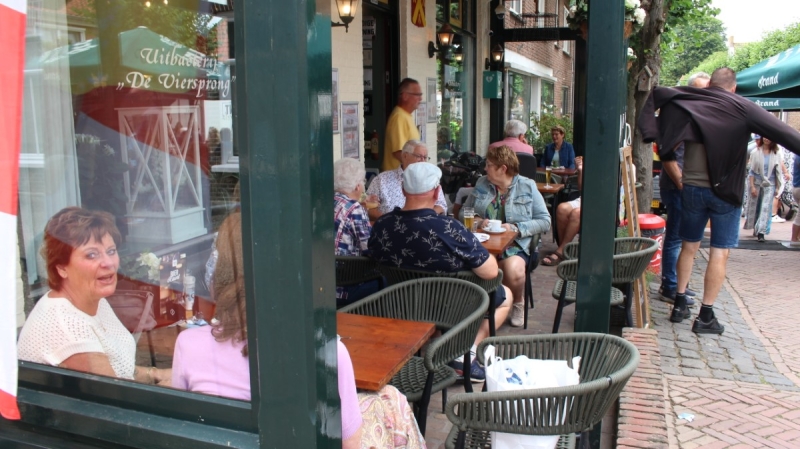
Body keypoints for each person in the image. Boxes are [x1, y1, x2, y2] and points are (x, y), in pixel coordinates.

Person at [172, 213, 425, 449]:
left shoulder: (187, 345)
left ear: (216, 277)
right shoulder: (328, 353)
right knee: (391, 401)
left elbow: (182, 427)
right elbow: (349, 444)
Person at [638, 67, 800, 335]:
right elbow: (785, 134)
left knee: (688, 246)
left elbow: (659, 109)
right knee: (719, 252)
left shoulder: (688, 101)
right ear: (734, 87)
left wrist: (659, 145)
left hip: (691, 187)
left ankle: (679, 303)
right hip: (726, 192)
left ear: (710, 84)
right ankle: (705, 316)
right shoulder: (743, 107)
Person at [369, 163, 513, 381]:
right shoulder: (448, 228)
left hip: (400, 305)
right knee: (506, 296)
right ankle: (465, 352)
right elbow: (491, 272)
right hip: (449, 307)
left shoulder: (382, 226)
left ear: (403, 190)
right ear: (437, 192)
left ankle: (434, 343)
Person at [17, 207, 171, 385]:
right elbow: (114, 396)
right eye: (91, 255)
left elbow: (121, 368)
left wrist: (157, 374)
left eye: (111, 251)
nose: (108, 263)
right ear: (62, 268)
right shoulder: (68, 327)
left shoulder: (91, 299)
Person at [462, 146, 551, 327]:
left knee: (513, 268)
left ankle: (518, 302)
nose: (485, 168)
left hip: (516, 244)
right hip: (485, 244)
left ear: (503, 168)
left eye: (489, 165)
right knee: (474, 265)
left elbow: (545, 221)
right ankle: (484, 305)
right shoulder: (482, 183)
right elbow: (464, 212)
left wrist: (516, 227)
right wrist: (479, 221)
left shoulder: (527, 185)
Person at [656, 72, 710, 306]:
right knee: (676, 238)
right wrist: (682, 185)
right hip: (677, 187)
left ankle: (678, 284)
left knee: (683, 237)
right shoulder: (681, 117)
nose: (704, 95)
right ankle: (670, 286)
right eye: (700, 90)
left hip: (685, 186)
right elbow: (667, 155)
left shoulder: (695, 116)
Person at [333, 158, 380, 307]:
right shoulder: (354, 208)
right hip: (345, 286)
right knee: (386, 280)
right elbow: (370, 248)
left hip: (322, 282)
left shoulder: (323, 201)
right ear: (358, 186)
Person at [366, 140, 447, 221]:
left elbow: (441, 206)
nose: (422, 161)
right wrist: (390, 221)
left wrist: (421, 218)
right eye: (419, 156)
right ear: (405, 156)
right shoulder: (381, 179)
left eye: (425, 157)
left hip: (424, 226)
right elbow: (367, 207)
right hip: (390, 227)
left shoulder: (431, 179)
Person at [743, 136, 790, 242]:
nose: (766, 139)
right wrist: (752, 186)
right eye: (764, 137)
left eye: (769, 138)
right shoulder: (755, 152)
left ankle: (761, 232)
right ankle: (756, 228)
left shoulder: (776, 154)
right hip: (757, 182)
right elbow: (752, 171)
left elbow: (777, 171)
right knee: (755, 207)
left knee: (765, 208)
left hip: (770, 183)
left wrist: (778, 187)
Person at [541, 156, 584, 267]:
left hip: (600, 202)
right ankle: (565, 249)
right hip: (585, 198)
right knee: (562, 208)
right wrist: (580, 170)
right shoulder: (590, 159)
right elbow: (581, 189)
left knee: (576, 213)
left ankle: (561, 251)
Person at [381, 78, 422, 172]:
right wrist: (417, 171)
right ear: (405, 96)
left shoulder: (406, 116)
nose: (420, 98)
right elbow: (399, 152)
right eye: (417, 95)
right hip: (397, 177)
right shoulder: (399, 117)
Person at [792, 155, 800, 244]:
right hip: (798, 187)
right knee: (799, 216)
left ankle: (797, 237)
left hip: (796, 187)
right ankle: (794, 239)